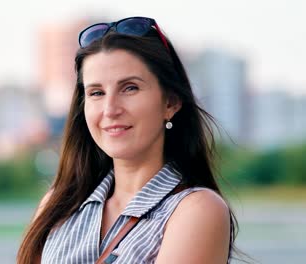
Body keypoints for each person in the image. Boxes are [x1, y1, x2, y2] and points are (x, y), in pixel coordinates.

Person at [17, 16, 237, 263]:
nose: (110, 109)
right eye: (97, 93)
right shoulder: (59, 205)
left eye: (130, 88)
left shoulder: (196, 210)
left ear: (171, 102)